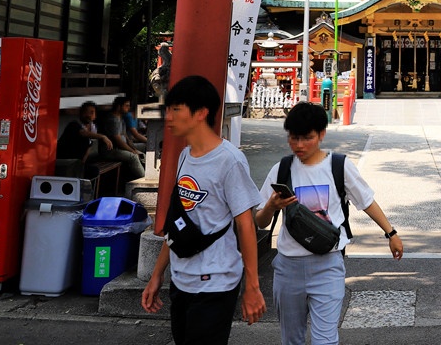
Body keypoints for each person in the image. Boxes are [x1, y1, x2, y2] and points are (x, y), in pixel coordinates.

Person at [254, 101, 403, 345]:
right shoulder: (280, 169)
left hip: (327, 265)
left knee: (325, 340)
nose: (299, 145)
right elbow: (260, 221)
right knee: (292, 340)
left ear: (322, 134)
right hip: (287, 267)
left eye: (307, 138)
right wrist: (271, 206)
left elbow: (366, 201)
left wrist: (391, 233)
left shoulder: (338, 166)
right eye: (294, 138)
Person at [141, 75, 267, 343]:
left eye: (176, 109)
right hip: (181, 280)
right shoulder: (186, 155)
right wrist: (157, 275)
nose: (169, 117)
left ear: (201, 113)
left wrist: (252, 287)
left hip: (216, 284)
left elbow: (246, 225)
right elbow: (179, 221)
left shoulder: (230, 161)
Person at [98, 97, 146, 188]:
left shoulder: (121, 118)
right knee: (133, 157)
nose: (128, 108)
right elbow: (119, 141)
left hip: (121, 148)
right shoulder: (112, 119)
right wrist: (133, 151)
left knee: (143, 150)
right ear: (119, 106)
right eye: (126, 106)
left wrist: (134, 148)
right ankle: (143, 180)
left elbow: (126, 137)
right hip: (110, 150)